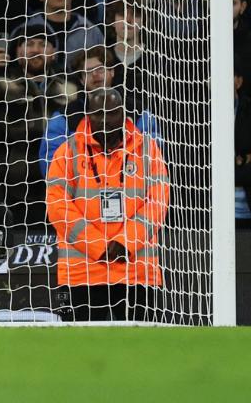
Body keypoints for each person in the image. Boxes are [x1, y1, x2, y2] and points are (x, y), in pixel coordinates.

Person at [46, 86, 169, 321]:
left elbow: (158, 201)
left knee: (142, 352)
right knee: (82, 353)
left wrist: (125, 242)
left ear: (123, 113)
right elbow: (57, 205)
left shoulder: (148, 150)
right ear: (88, 115)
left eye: (111, 112)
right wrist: (99, 246)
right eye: (98, 113)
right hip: (83, 273)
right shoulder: (67, 152)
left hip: (137, 271)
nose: (104, 119)